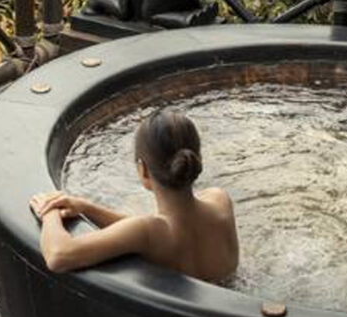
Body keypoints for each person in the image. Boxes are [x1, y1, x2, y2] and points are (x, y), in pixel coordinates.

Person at [29, 108, 239, 282]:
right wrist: (86, 208)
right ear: (197, 157)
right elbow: (141, 229)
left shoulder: (149, 233)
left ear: (143, 170)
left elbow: (59, 255)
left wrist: (49, 212)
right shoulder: (220, 201)